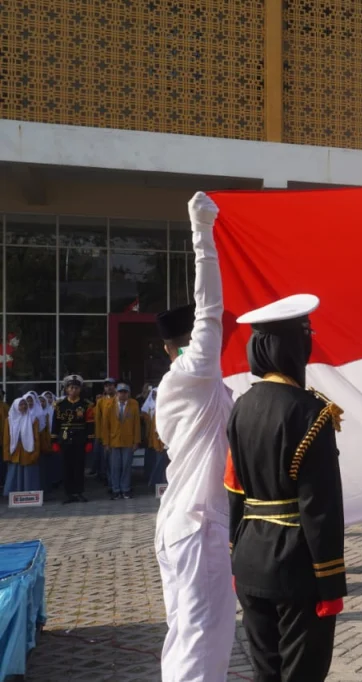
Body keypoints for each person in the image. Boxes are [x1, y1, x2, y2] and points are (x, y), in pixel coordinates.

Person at [225, 293, 346, 681]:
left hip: (249, 558)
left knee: (266, 671)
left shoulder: (241, 406)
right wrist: (330, 582)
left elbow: (234, 491)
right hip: (296, 565)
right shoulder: (311, 413)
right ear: (297, 346)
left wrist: (234, 557)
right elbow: (321, 507)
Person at [153, 192, 237, 681]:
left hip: (183, 525)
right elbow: (210, 310)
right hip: (199, 527)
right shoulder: (193, 373)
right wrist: (201, 232)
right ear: (182, 346)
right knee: (203, 645)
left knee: (187, 638)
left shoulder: (187, 385)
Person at [52, 376, 95, 503]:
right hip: (65, 439)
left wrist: (89, 440)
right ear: (66, 389)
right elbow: (56, 424)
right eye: (71, 387)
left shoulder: (86, 405)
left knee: (79, 467)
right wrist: (54, 440)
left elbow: (90, 424)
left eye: (76, 388)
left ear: (80, 389)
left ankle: (79, 492)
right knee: (67, 467)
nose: (74, 390)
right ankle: (68, 493)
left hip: (80, 438)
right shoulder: (60, 405)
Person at [101, 383, 141, 500]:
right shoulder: (109, 404)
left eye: (125, 392)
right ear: (116, 393)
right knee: (114, 467)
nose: (122, 394)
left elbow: (137, 424)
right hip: (113, 441)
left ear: (128, 393)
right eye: (120, 392)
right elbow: (105, 425)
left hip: (128, 441)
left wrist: (136, 441)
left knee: (126, 466)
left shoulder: (134, 404)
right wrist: (106, 442)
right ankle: (115, 490)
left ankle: (125, 489)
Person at [3, 397, 40, 495]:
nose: (23, 406)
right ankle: (14, 494)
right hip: (14, 451)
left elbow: (36, 438)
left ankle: (29, 495)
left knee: (29, 473)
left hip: (28, 452)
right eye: (21, 404)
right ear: (15, 406)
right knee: (14, 472)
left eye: (25, 405)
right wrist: (6, 454)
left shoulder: (33, 419)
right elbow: (6, 438)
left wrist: (35, 453)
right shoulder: (9, 420)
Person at [91, 378, 117, 481]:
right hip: (105, 435)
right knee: (106, 460)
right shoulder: (101, 401)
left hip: (118, 434)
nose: (109, 387)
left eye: (111, 385)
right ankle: (110, 482)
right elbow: (97, 419)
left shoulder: (120, 399)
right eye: (106, 386)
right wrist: (98, 435)